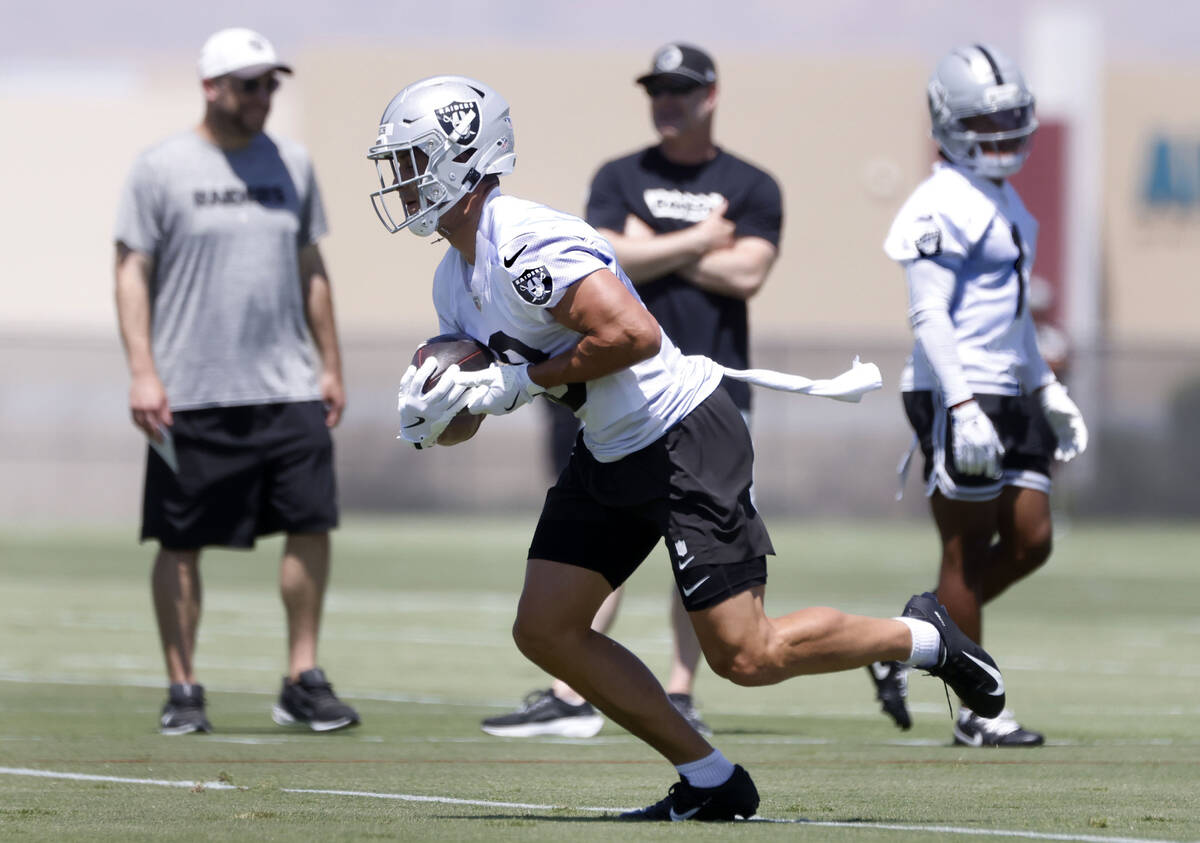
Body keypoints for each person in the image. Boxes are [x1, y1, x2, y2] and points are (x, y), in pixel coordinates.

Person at [370, 74, 1008, 820]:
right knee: (545, 627)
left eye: (415, 160)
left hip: (681, 433)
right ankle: (710, 779)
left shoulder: (524, 241)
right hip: (610, 446)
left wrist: (520, 382)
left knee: (746, 655)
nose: (403, 181)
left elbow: (632, 335)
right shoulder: (454, 277)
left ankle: (922, 636)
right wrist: (439, 415)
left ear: (465, 156)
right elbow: (492, 392)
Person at [484, 42, 782, 741]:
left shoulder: (753, 183)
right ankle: (569, 691)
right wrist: (704, 239)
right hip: (612, 383)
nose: (666, 100)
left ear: (710, 95)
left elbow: (749, 276)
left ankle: (682, 689)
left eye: (680, 88)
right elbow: (613, 254)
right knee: (602, 533)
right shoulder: (618, 175)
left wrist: (656, 244)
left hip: (707, 391)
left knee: (700, 551)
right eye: (656, 89)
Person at [114, 27, 359, 736]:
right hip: (189, 390)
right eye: (250, 84)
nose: (263, 97)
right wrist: (142, 371)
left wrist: (331, 363)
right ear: (211, 87)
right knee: (179, 537)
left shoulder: (293, 164)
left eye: (270, 84)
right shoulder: (159, 168)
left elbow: (311, 266)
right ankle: (183, 687)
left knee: (312, 522)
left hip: (288, 385)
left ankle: (301, 678)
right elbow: (132, 270)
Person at [868, 43, 1088, 747]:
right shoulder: (937, 201)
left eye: (1008, 120)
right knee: (964, 549)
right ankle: (978, 711)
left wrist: (1046, 388)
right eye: (982, 122)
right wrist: (961, 405)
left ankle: (910, 637)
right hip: (956, 388)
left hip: (1010, 386)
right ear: (949, 124)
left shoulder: (1006, 201)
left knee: (1031, 538)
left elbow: (1015, 314)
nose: (1000, 136)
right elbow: (929, 314)